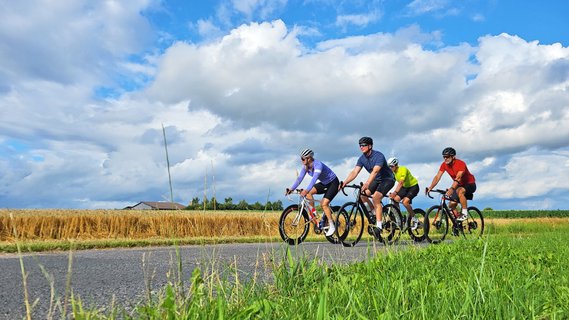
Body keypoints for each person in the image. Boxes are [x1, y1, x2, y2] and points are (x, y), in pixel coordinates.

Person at [340, 137, 395, 231]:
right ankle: (374, 213)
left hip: (387, 179)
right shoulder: (362, 159)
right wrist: (345, 182)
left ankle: (379, 226)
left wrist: (367, 183)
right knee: (362, 195)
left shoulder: (378, 156)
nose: (361, 147)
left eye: (364, 145)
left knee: (376, 198)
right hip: (376, 180)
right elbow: (355, 172)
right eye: (360, 145)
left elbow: (375, 171)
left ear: (370, 146)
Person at [286, 148, 340, 237]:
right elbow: (299, 179)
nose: (301, 160)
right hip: (324, 183)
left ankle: (332, 225)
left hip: (333, 183)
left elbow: (314, 179)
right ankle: (313, 214)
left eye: (303, 159)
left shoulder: (318, 165)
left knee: (324, 204)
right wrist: (291, 189)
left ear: (309, 158)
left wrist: (306, 190)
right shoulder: (306, 167)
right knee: (308, 194)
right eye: (301, 158)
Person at [426, 147, 476, 221]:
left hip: (470, 184)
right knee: (451, 204)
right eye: (444, 157)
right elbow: (437, 177)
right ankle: (457, 221)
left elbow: (458, 177)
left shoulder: (461, 163)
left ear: (453, 157)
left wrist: (452, 188)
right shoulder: (444, 165)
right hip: (458, 185)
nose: (445, 159)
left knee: (459, 191)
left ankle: (465, 213)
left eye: (447, 157)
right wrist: (430, 187)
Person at [387, 157, 420, 230]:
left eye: (391, 166)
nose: (390, 168)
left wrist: (395, 192)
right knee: (395, 200)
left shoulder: (403, 169)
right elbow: (390, 182)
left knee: (405, 202)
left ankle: (415, 219)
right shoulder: (393, 173)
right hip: (405, 188)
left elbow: (401, 182)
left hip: (413, 186)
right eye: (389, 166)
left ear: (396, 165)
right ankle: (400, 218)